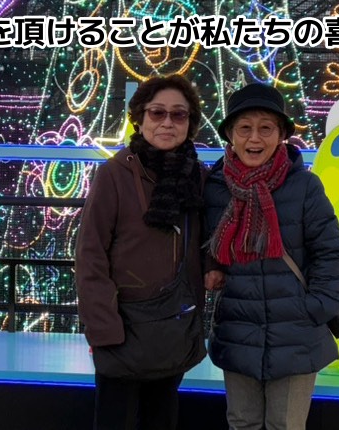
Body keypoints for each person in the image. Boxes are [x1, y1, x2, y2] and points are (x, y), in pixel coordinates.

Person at [203, 83, 339, 430]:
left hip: (295, 332)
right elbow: (205, 243)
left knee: (285, 425)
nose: (255, 138)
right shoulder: (216, 187)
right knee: (242, 422)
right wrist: (211, 268)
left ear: (281, 134)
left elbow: (329, 250)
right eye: (244, 128)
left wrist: (316, 307)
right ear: (230, 135)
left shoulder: (305, 186)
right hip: (238, 328)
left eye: (266, 128)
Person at [75, 75, 207, 430]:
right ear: (140, 118)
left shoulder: (197, 177)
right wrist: (105, 330)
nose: (167, 122)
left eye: (179, 114)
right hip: (123, 330)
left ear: (190, 123)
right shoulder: (115, 174)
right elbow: (90, 254)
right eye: (157, 113)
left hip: (172, 330)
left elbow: (206, 243)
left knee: (161, 419)